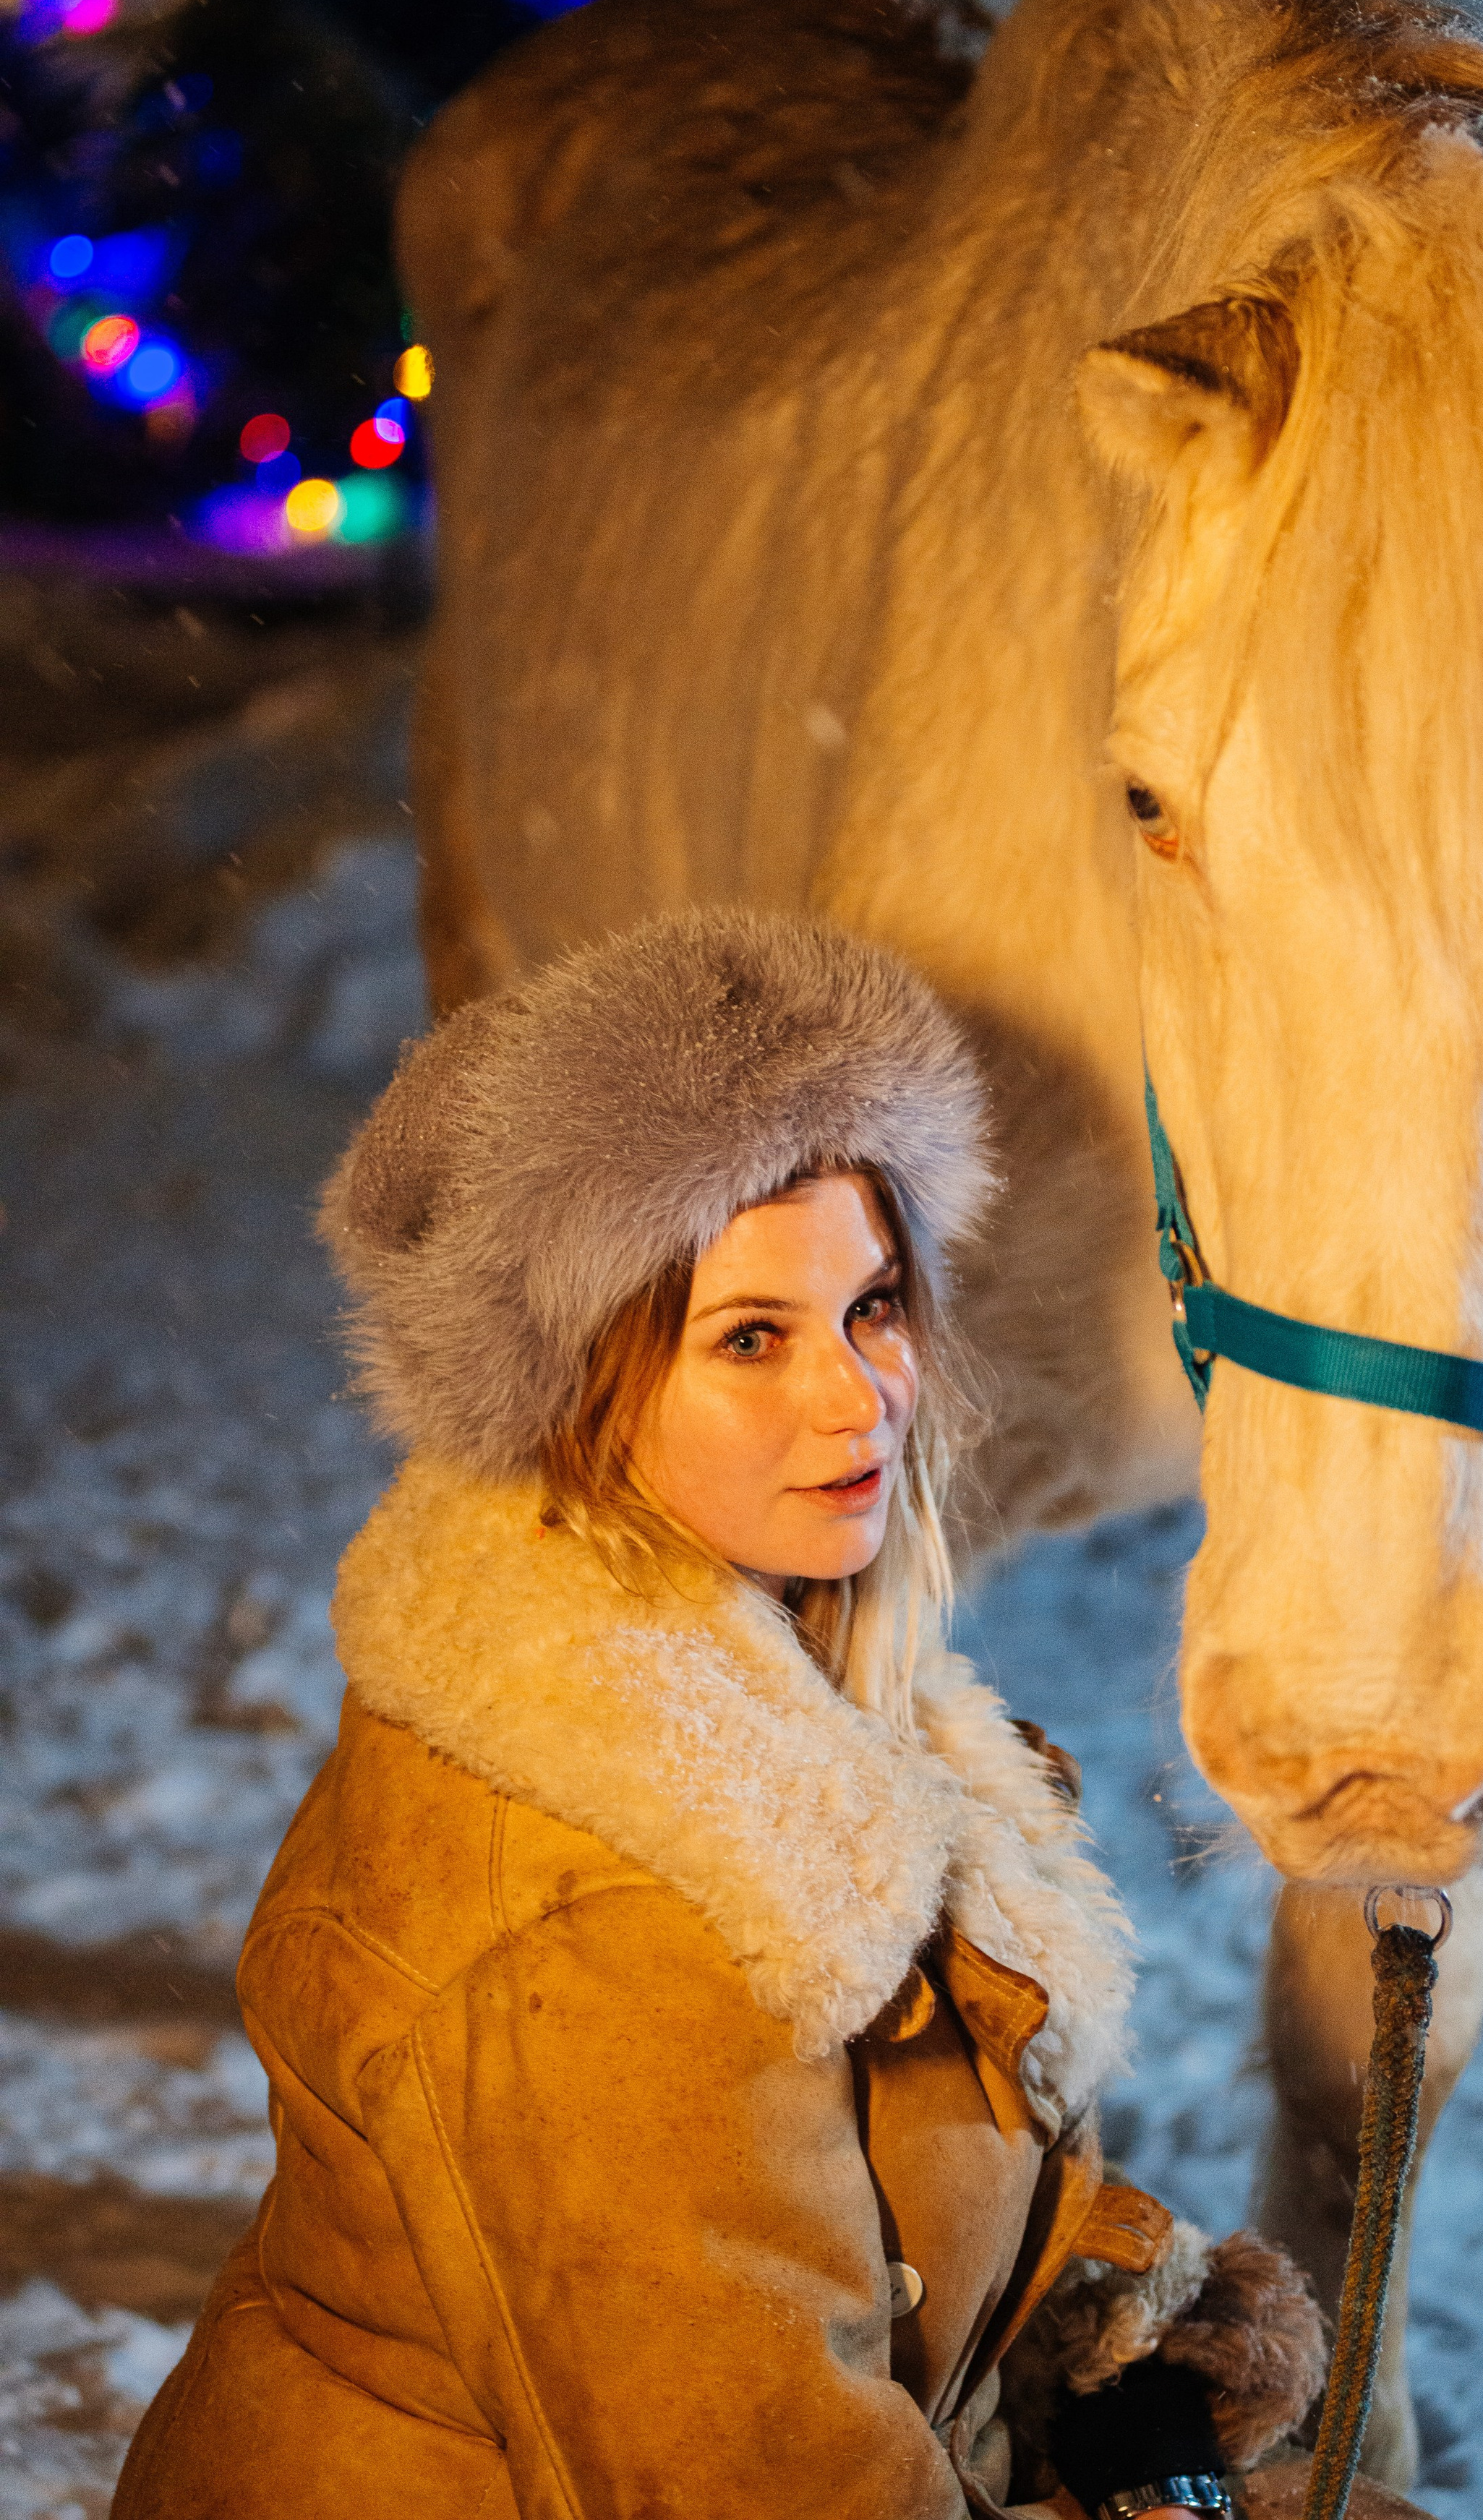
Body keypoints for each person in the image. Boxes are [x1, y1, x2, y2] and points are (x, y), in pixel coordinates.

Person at [111, 909, 1325, 2519]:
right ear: (576, 1383)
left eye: (872, 1304)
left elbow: (885, 2204)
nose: (856, 1395)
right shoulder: (612, 1926)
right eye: (751, 1337)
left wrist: (1126, 2350)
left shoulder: (758, 1677)